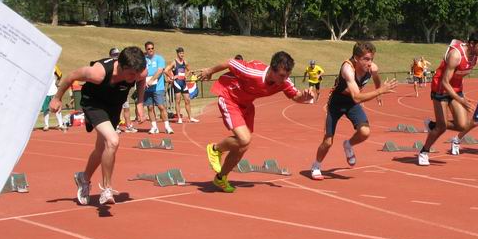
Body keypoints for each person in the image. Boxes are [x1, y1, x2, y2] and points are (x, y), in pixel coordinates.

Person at [196, 52, 315, 193]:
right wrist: (209, 71)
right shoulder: (253, 71)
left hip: (246, 105)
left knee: (243, 146)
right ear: (272, 69)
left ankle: (221, 178)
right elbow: (230, 62)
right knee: (244, 138)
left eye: (287, 75)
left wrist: (305, 97)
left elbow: (296, 96)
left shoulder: (283, 82)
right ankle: (215, 149)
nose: (285, 79)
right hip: (230, 97)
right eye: (282, 75)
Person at [50, 47, 147, 205]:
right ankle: (106, 189)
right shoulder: (98, 72)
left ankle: (84, 178)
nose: (135, 77)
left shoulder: (139, 73)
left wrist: (140, 103)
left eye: (137, 73)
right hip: (93, 104)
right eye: (131, 74)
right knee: (113, 141)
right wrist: (57, 98)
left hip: (113, 106)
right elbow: (71, 76)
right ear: (121, 67)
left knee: (102, 149)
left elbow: (142, 80)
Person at [310, 42, 397, 180]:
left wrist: (379, 92)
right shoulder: (347, 69)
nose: (370, 63)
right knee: (328, 142)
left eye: (371, 59)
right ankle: (316, 165)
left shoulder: (372, 68)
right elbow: (357, 97)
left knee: (365, 132)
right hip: (337, 103)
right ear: (356, 58)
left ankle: (348, 145)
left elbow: (376, 79)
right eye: (366, 59)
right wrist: (380, 91)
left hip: (351, 103)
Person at [418, 31, 478, 166]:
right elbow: (445, 82)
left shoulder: (476, 56)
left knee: (462, 125)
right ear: (471, 44)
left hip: (456, 89)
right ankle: (424, 151)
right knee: (442, 128)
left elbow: (461, 73)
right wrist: (461, 100)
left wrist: (460, 95)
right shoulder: (455, 55)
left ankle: (433, 124)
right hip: (441, 89)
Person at [143, 41, 173, 134]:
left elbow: (160, 71)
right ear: (146, 50)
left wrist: (151, 80)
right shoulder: (144, 60)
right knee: (150, 107)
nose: (151, 50)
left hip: (158, 87)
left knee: (161, 107)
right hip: (147, 87)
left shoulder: (159, 58)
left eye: (152, 48)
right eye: (148, 49)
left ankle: (167, 126)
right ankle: (154, 127)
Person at [164, 47, 199, 123]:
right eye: (180, 53)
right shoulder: (174, 62)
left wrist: (186, 76)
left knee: (187, 100)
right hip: (177, 83)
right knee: (178, 101)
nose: (182, 55)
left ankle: (190, 117)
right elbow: (166, 70)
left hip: (183, 83)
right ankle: (179, 118)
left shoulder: (185, 62)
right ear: (177, 54)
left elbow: (189, 70)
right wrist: (172, 77)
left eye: (182, 53)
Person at [40, 65, 66, 132]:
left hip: (54, 92)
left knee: (57, 108)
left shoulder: (54, 67)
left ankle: (60, 124)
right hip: (45, 93)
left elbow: (60, 75)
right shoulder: (41, 68)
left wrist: (56, 83)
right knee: (45, 109)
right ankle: (46, 125)